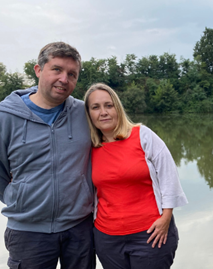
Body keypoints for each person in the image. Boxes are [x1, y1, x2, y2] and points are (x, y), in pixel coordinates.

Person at [0, 42, 95, 268]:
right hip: (28, 232)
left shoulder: (86, 114)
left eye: (72, 74)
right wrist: (19, 198)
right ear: (38, 70)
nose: (64, 79)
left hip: (80, 229)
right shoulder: (2, 118)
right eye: (57, 69)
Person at [83, 83, 188, 269]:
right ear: (89, 114)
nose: (103, 112)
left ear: (118, 107)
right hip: (108, 239)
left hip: (151, 234)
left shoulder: (142, 135)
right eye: (95, 107)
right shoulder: (88, 148)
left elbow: (169, 177)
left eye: (109, 105)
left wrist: (166, 218)